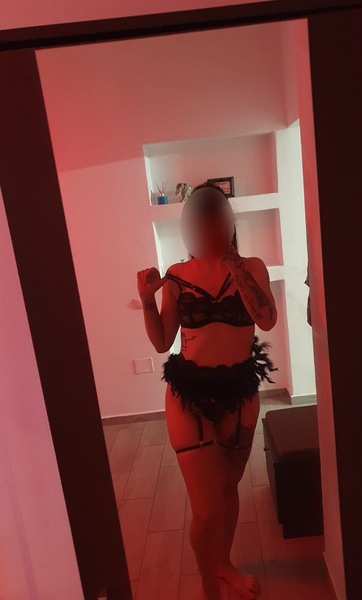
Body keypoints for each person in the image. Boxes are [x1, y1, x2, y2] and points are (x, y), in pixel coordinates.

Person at [137, 182, 278, 600]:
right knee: (206, 507)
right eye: (201, 220)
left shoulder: (253, 267)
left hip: (239, 392)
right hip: (189, 396)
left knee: (228, 489)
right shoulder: (177, 276)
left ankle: (224, 564)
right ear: (191, 226)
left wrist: (231, 259)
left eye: (216, 218)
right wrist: (147, 299)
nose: (209, 227)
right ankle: (207, 587)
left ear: (229, 221)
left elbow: (267, 319)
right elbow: (162, 342)